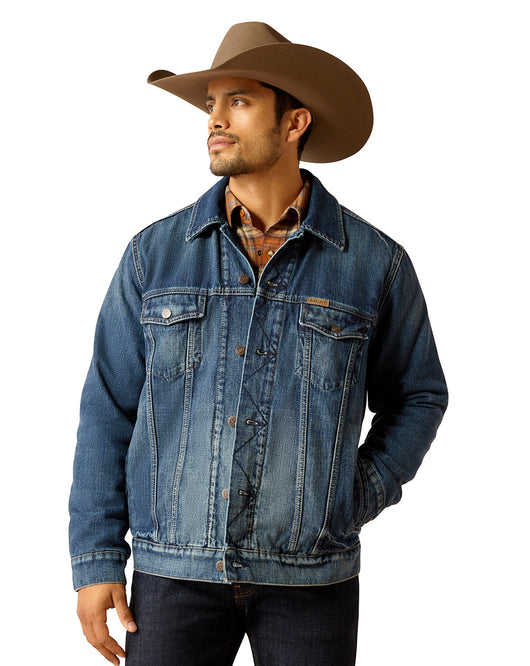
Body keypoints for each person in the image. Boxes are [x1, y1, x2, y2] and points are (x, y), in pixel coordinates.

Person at [69, 21, 448, 666]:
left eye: (238, 101)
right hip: (172, 573)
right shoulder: (153, 257)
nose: (214, 120)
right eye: (210, 103)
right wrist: (96, 556)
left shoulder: (373, 264)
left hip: (313, 580)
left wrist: (353, 492)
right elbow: (108, 408)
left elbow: (419, 395)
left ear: (294, 122)